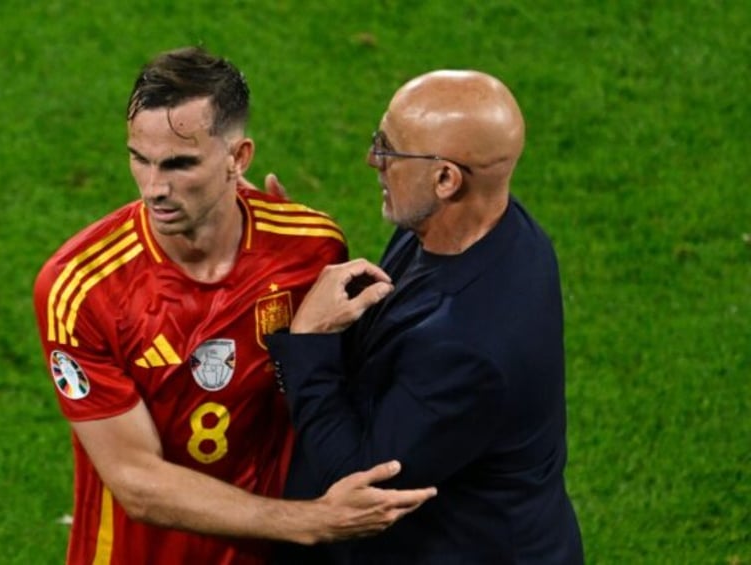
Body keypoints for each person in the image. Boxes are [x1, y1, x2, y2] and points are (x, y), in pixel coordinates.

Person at [33, 46, 436, 565]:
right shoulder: (81, 288)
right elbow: (136, 481)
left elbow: (328, 392)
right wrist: (312, 522)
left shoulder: (311, 249)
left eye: (180, 164)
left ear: (238, 158)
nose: (154, 188)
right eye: (140, 158)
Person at [267, 70, 585, 563]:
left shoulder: (469, 345)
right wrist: (297, 261)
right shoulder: (474, 227)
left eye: (388, 151)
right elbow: (384, 344)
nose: (372, 159)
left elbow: (358, 481)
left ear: (445, 179)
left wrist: (308, 339)